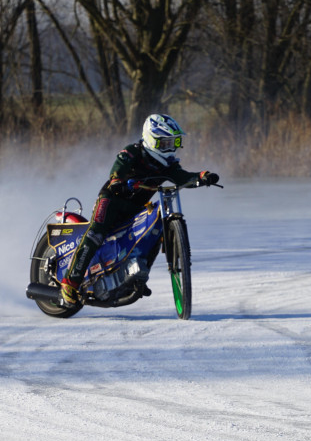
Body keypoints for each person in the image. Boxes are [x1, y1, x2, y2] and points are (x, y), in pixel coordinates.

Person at [61, 114, 220, 305]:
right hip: (112, 200)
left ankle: (137, 276)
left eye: (174, 142)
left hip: (135, 209)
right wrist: (117, 180)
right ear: (152, 140)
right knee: (96, 233)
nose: (170, 148)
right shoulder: (132, 151)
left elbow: (183, 178)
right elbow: (118, 167)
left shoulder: (168, 165)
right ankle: (70, 282)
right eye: (166, 143)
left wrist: (202, 177)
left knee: (153, 233)